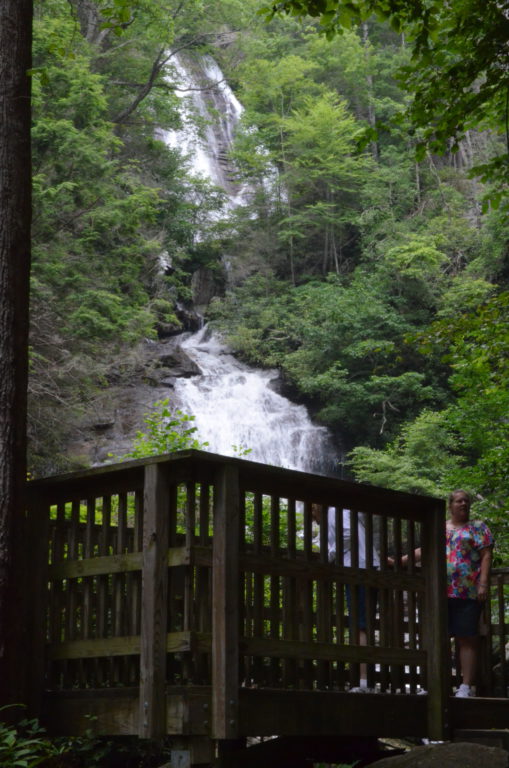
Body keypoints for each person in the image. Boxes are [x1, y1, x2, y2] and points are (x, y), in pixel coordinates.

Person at [399, 489, 493, 698]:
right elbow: (424, 550)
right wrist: (400, 560)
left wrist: (483, 584)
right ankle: (437, 685)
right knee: (439, 637)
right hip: (440, 591)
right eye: (459, 501)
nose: (463, 504)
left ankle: (466, 687)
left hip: (468, 591)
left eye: (466, 501)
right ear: (450, 505)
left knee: (466, 637)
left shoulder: (478, 528)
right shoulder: (441, 528)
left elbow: (487, 555)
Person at [312, 505, 380, 692]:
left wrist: (330, 556)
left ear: (315, 509)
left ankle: (365, 681)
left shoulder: (335, 511)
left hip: (359, 568)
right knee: (360, 624)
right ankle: (366, 679)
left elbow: (348, 534)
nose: (314, 520)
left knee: (360, 624)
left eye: (313, 515)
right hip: (360, 567)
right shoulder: (337, 513)